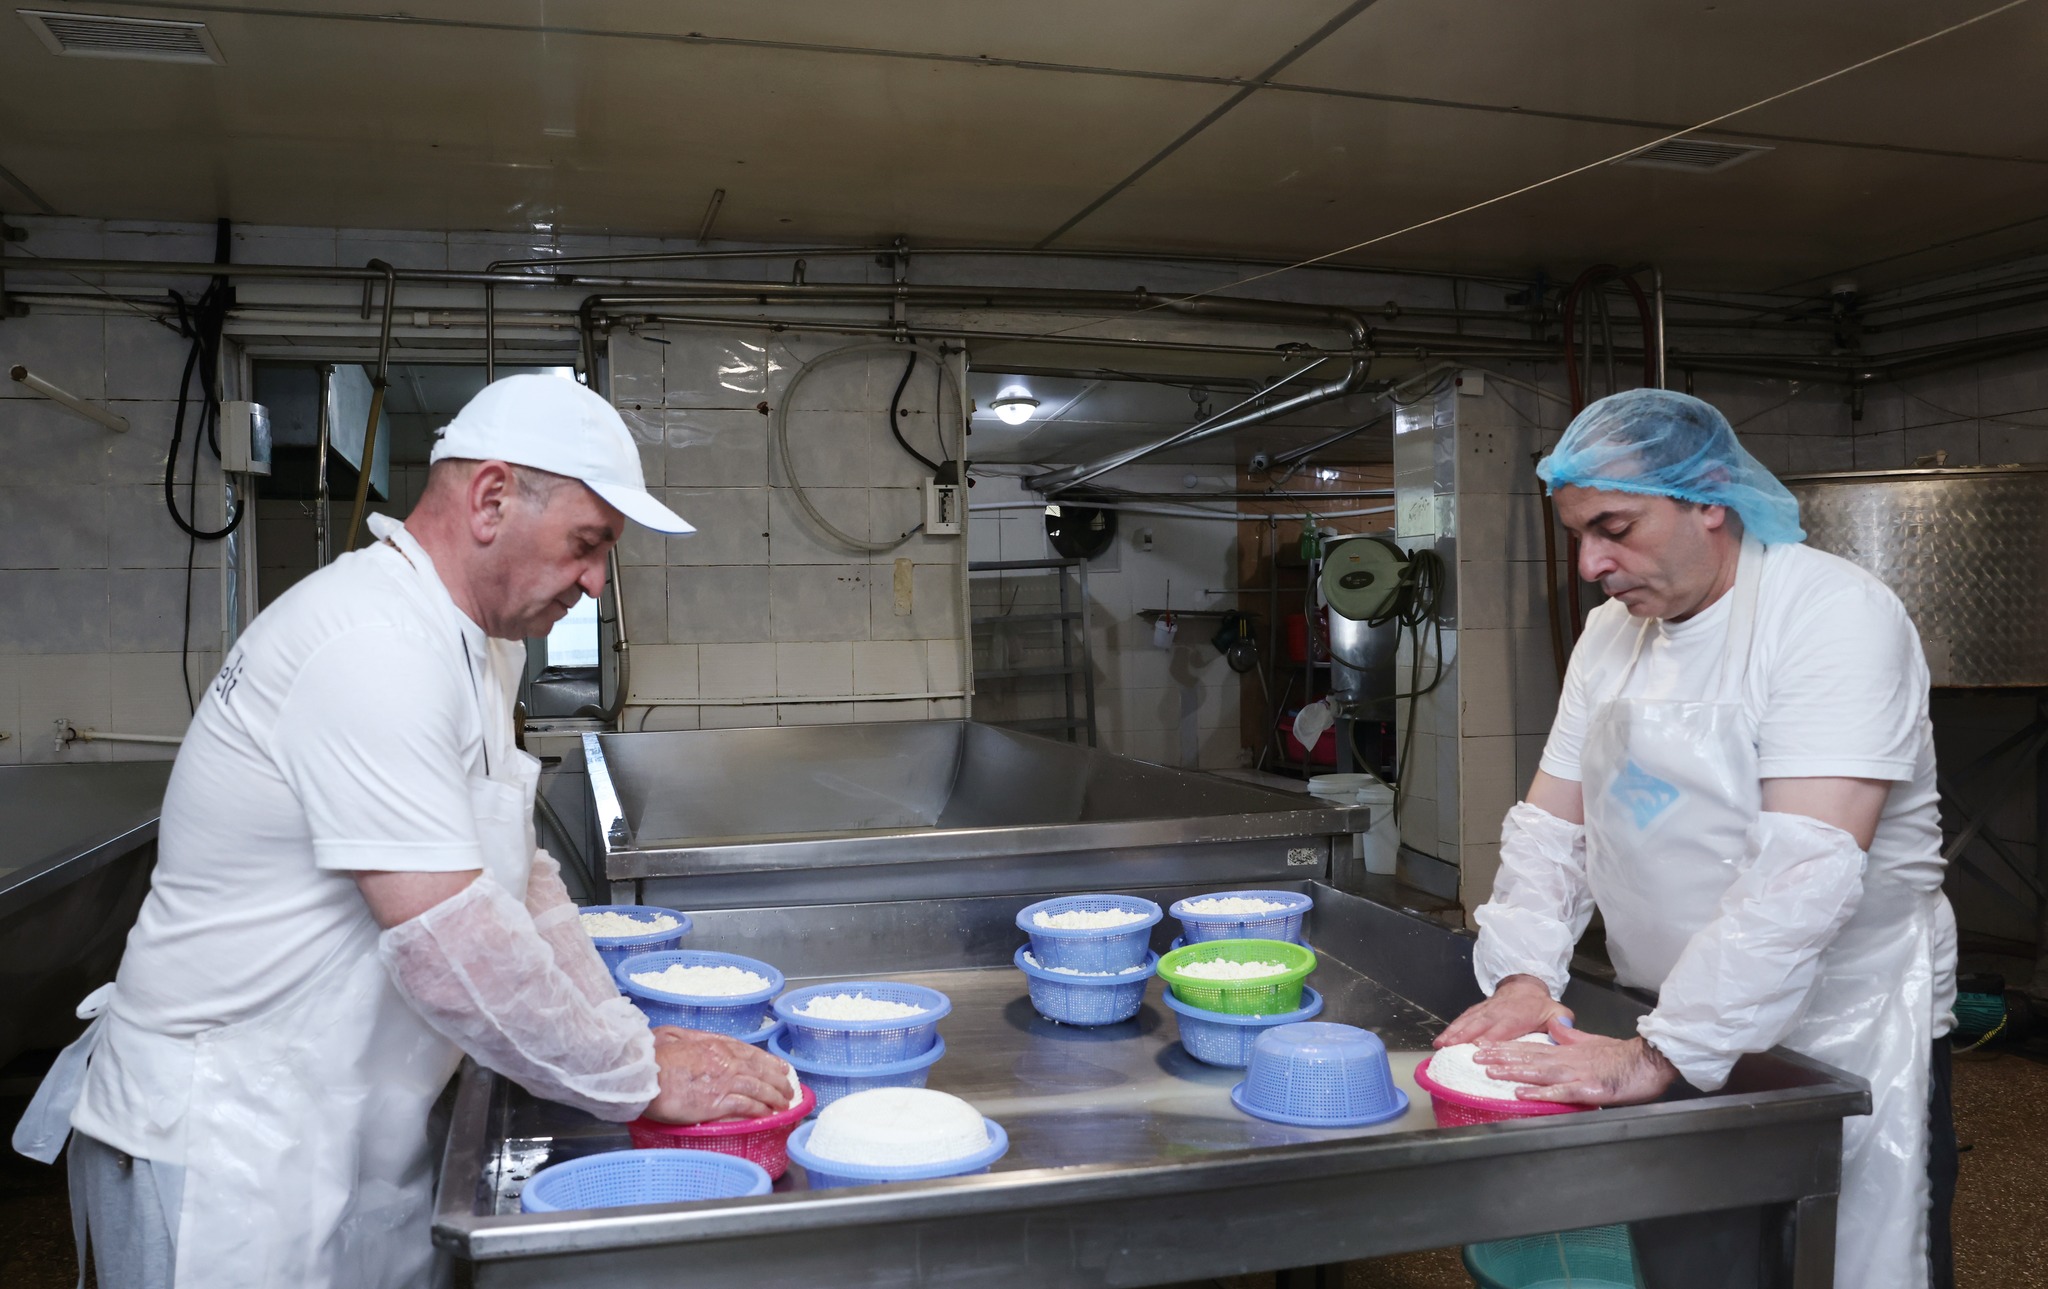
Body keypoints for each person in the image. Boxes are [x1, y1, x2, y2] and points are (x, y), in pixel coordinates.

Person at [13, 374, 795, 1289]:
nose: (595, 583)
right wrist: (636, 1073)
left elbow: (522, 877)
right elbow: (451, 941)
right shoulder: (372, 642)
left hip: (343, 1119)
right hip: (231, 1144)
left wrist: (619, 1033)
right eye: (587, 545)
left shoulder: (482, 646)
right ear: (492, 498)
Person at [1438, 389, 1958, 1289]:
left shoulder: (1830, 614)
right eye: (1579, 535)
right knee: (1698, 1263)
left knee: (1840, 1258)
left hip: (1845, 1030)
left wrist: (1661, 1054)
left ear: (1708, 498)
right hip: (1672, 1016)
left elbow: (1804, 870)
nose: (1591, 564)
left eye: (1615, 528)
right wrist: (1526, 976)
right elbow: (1552, 828)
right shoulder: (1609, 637)